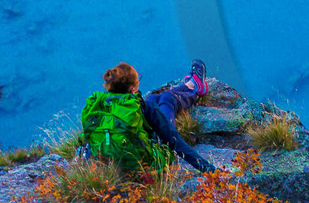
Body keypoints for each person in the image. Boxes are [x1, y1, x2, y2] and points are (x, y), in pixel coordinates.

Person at [83, 59, 216, 173]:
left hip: (111, 159)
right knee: (168, 98)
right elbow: (175, 142)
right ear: (133, 89)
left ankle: (189, 84)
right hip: (148, 163)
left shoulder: (99, 105)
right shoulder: (145, 109)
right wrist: (210, 170)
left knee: (152, 98)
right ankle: (195, 89)